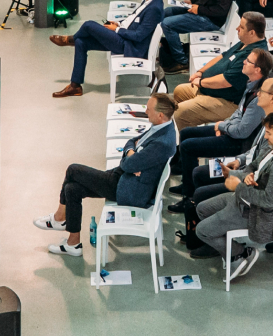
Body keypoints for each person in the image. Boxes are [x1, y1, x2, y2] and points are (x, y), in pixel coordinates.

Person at [34, 93, 178, 256]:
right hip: (124, 176)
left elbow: (128, 163)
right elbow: (132, 141)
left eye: (149, 109)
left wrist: (130, 158)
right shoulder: (161, 126)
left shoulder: (162, 142)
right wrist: (132, 152)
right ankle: (73, 244)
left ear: (160, 115)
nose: (145, 111)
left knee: (73, 170)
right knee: (72, 189)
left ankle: (60, 217)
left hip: (128, 189)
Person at [190, 111, 273, 278]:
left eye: (269, 133)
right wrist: (244, 176)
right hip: (245, 201)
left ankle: (240, 253)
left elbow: (268, 201)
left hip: (256, 213)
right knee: (202, 209)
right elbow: (254, 165)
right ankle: (232, 251)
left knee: (201, 231)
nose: (266, 137)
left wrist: (238, 186)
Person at [171, 51, 273, 202]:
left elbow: (242, 131)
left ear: (257, 69)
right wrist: (223, 125)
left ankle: (189, 196)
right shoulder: (250, 84)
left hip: (239, 143)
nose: (244, 62)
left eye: (248, 61)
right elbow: (238, 113)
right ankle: (187, 184)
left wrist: (223, 127)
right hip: (231, 130)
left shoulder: (259, 98)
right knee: (186, 133)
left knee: (188, 146)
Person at [51, 0, 165, 98]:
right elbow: (132, 20)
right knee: (81, 43)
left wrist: (116, 30)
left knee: (88, 25)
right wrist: (119, 24)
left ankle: (70, 39)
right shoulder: (149, 1)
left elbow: (139, 36)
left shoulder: (154, 8)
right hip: (124, 36)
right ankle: (75, 86)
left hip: (129, 45)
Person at [170, 11, 264, 128]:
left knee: (181, 112)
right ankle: (188, 130)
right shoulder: (245, 42)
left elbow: (226, 81)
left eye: (241, 27)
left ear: (252, 32)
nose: (237, 29)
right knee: (179, 91)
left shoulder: (253, 55)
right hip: (212, 91)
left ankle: (187, 142)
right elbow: (222, 56)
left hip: (228, 102)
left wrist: (201, 82)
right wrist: (201, 72)